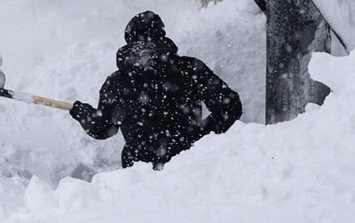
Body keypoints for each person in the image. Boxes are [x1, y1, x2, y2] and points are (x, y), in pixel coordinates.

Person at [69, 11, 242, 170]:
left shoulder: (118, 82)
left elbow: (103, 128)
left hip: (139, 174)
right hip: (190, 164)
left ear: (129, 40)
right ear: (162, 34)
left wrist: (83, 113)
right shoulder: (190, 68)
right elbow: (230, 106)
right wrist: (202, 135)